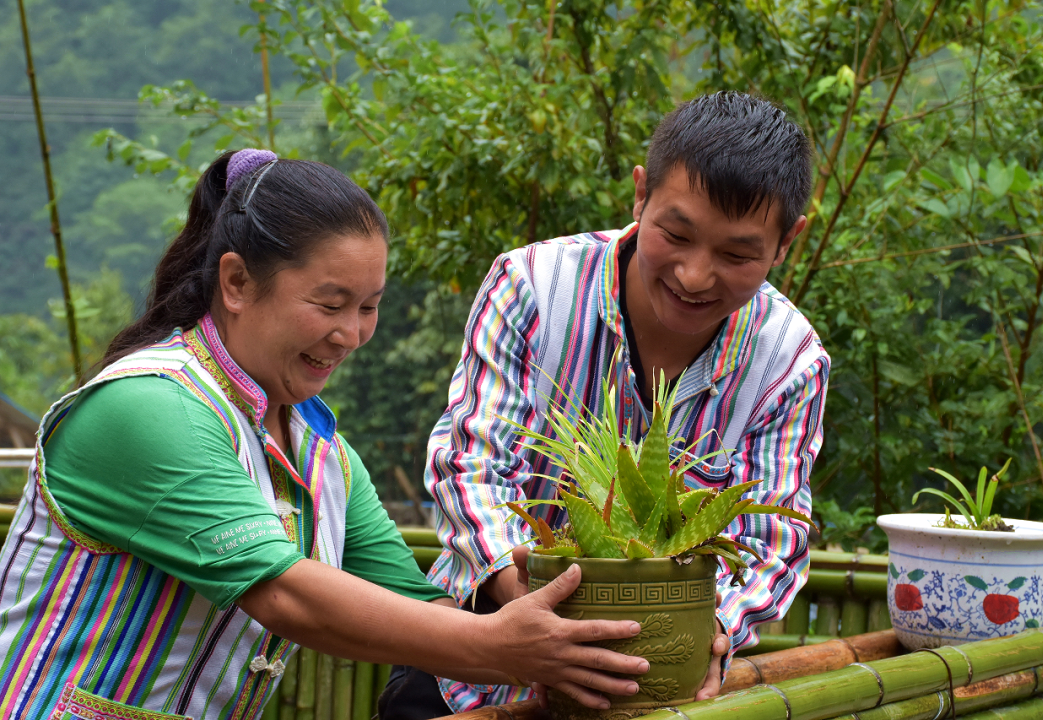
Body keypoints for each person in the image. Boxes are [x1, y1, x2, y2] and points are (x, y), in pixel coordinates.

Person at [0, 150, 652, 720]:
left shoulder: (321, 452)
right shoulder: (148, 408)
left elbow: (415, 607)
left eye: (369, 307)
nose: (352, 334)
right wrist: (500, 647)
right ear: (236, 282)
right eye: (329, 304)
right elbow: (284, 592)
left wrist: (589, 644)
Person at [382, 91, 830, 719]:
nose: (696, 275)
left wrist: (711, 629)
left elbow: (771, 539)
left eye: (736, 254)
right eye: (676, 234)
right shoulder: (533, 289)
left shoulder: (788, 361)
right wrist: (529, 609)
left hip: (653, 695)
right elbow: (471, 464)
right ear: (640, 194)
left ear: (787, 243)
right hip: (471, 672)